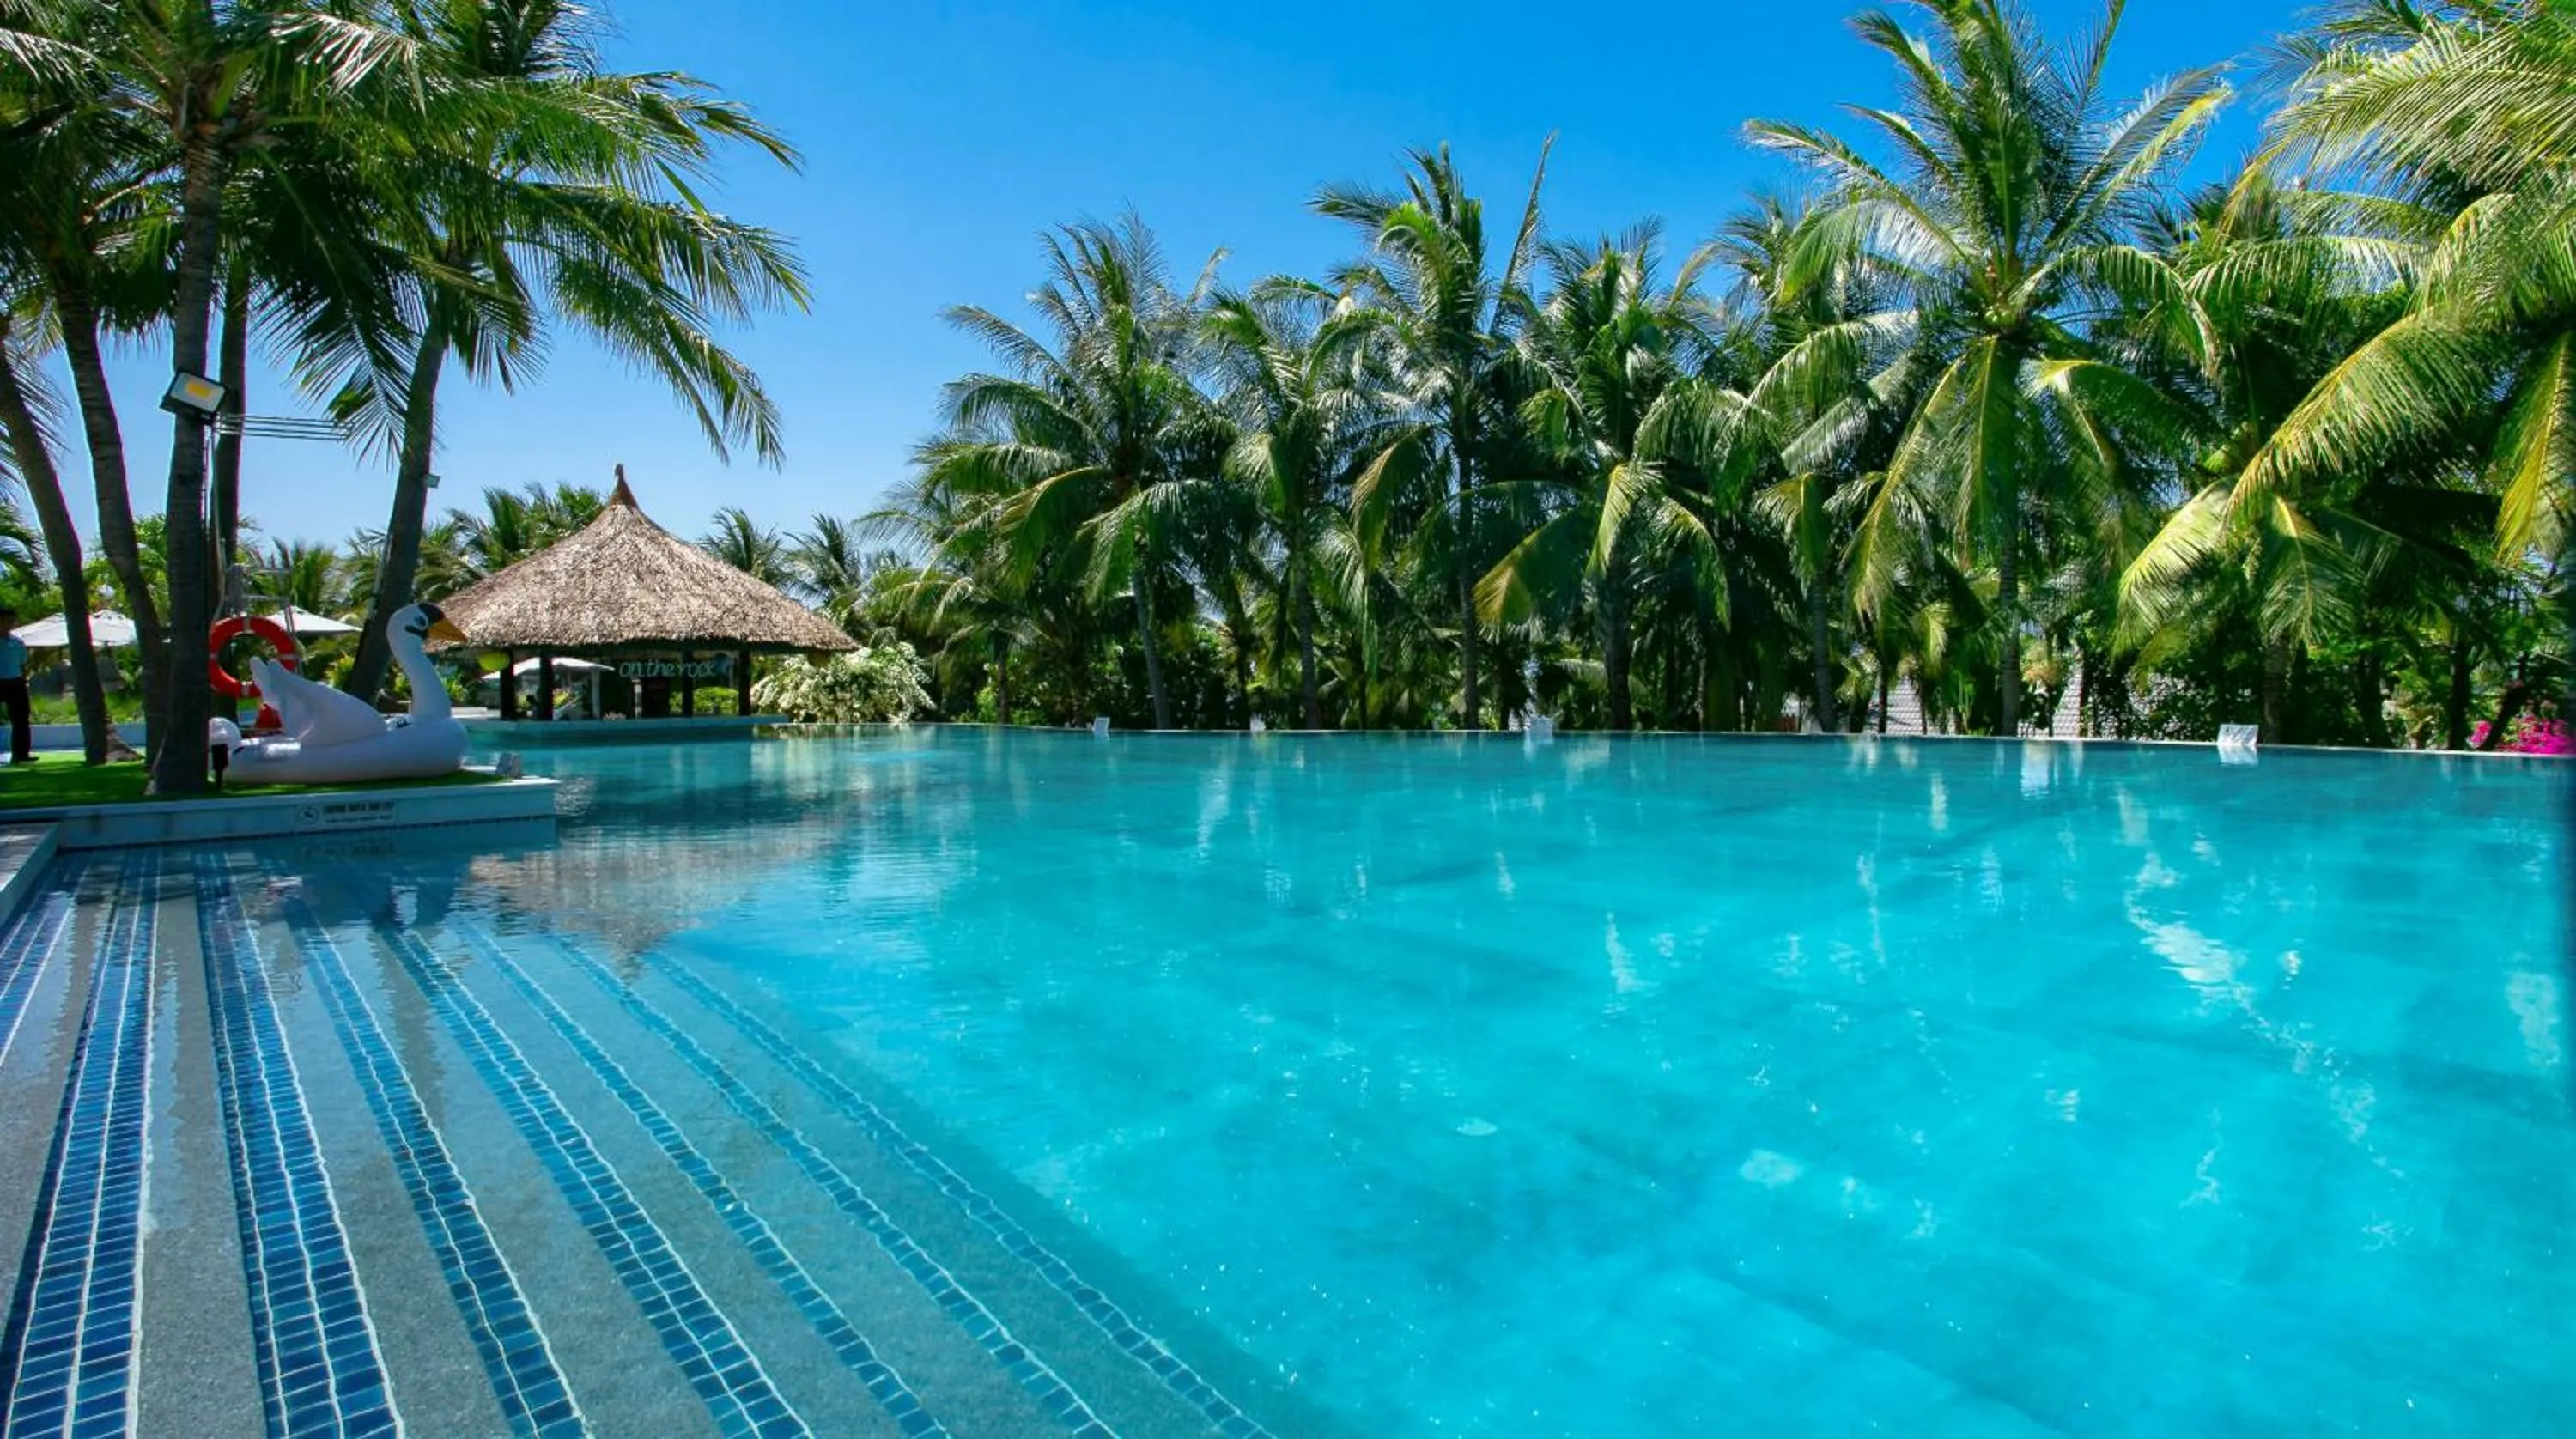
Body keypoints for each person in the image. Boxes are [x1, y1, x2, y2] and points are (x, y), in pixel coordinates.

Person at [0, 609, 29, 765]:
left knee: (21, 720)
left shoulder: (18, 642)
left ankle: (20, 755)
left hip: (15, 682)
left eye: (12, 621)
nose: (10, 624)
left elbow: (23, 664)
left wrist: (24, 681)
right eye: (7, 621)